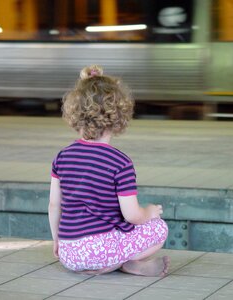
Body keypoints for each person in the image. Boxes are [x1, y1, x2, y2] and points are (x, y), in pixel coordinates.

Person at [49, 65, 169, 276]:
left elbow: (53, 205)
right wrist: (149, 213)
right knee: (159, 228)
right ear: (118, 117)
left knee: (107, 232)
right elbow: (132, 215)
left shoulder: (62, 156)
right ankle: (121, 262)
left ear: (75, 114)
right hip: (100, 250)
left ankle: (109, 262)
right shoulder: (120, 162)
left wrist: (57, 242)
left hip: (69, 254)